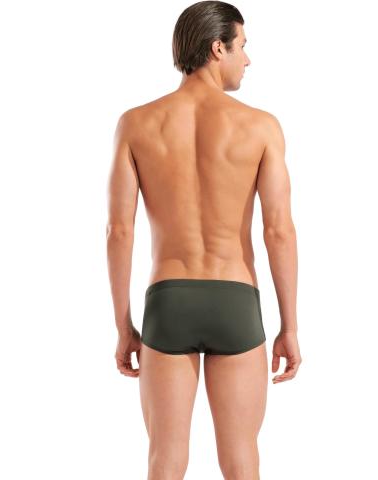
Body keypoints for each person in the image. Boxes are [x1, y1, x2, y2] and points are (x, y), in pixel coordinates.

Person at [106, 1, 301, 478]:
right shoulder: (260, 126)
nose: (247, 60)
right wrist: (290, 327)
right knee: (241, 460)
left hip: (168, 302)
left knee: (165, 460)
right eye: (242, 46)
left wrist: (124, 325)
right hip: (235, 299)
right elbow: (278, 230)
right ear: (218, 48)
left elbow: (119, 231)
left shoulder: (136, 123)